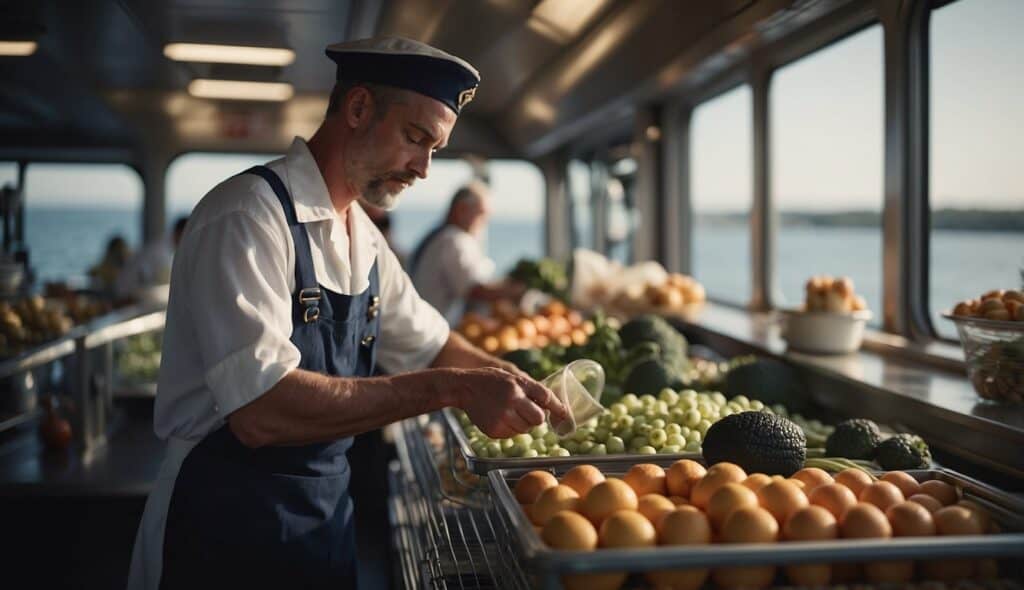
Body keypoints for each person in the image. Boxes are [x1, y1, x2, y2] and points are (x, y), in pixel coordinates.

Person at [127, 36, 566, 590]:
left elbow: (434, 344)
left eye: (436, 149)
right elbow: (261, 412)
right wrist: (453, 389)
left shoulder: (365, 238)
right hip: (222, 525)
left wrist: (524, 386)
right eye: (416, 138)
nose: (425, 169)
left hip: (325, 521)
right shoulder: (248, 216)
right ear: (358, 109)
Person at [410, 182, 525, 324]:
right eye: (482, 214)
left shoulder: (437, 235)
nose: (485, 222)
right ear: (462, 210)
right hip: (434, 329)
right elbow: (475, 291)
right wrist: (517, 289)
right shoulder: (453, 240)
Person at [114, 216, 188, 301]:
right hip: (126, 297)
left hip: (134, 295)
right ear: (179, 233)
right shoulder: (160, 251)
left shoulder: (166, 249)